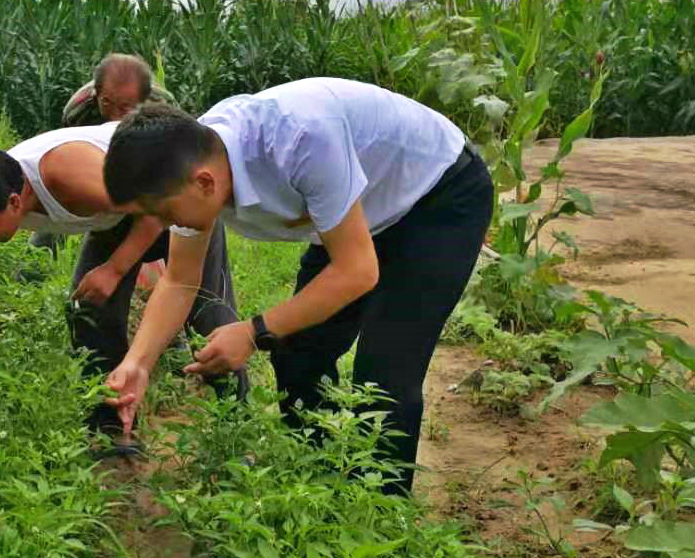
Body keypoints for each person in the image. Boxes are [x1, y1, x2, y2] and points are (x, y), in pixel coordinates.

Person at [100, 78, 493, 495]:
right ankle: (315, 483)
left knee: (384, 376)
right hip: (358, 208)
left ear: (204, 183)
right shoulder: (192, 164)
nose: (161, 225)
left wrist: (253, 331)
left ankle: (380, 520)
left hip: (438, 195)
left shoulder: (300, 139)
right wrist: (138, 363)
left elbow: (357, 270)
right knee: (297, 351)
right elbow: (180, 278)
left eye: (163, 213)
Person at [0, 118, 246, 448]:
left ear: (13, 202)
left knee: (208, 310)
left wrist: (115, 269)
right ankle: (110, 427)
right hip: (117, 216)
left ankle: (236, 422)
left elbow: (154, 206)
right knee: (90, 310)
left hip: (172, 198)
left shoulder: (73, 177)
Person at [28, 53, 177, 256]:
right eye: (107, 103)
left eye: (125, 108)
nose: (116, 114)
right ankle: (32, 266)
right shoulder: (79, 110)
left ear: (142, 102)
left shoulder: (163, 112)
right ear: (96, 95)